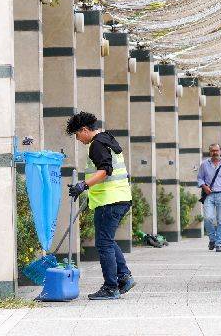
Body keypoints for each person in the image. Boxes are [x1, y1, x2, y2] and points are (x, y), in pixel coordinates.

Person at [66, 111, 135, 300]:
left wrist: (83, 185)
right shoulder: (107, 140)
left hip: (109, 201)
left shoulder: (96, 145)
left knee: (103, 243)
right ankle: (124, 277)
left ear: (85, 129)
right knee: (108, 240)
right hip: (119, 197)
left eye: (77, 135)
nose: (78, 139)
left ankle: (111, 287)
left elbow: (105, 170)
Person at [197, 143, 221, 252]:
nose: (215, 152)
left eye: (216, 150)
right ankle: (212, 239)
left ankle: (218, 243)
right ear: (210, 152)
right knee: (208, 218)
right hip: (209, 195)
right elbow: (199, 178)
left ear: (220, 151)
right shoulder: (204, 165)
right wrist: (204, 186)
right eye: (212, 151)